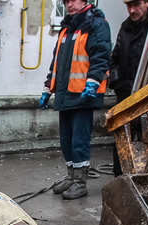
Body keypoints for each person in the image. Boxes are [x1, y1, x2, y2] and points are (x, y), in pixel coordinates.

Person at [40, 0, 111, 200]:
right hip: (65, 94)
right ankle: (71, 178)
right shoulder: (66, 29)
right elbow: (56, 63)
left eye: (74, 0)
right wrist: (48, 89)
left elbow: (101, 56)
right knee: (67, 141)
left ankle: (80, 183)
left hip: (83, 95)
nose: (70, 4)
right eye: (66, 1)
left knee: (80, 141)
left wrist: (93, 82)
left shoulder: (96, 24)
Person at [109, 0, 148, 175]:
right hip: (126, 95)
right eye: (128, 6)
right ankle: (120, 180)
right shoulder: (125, 29)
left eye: (136, 5)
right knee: (121, 141)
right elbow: (115, 60)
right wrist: (117, 83)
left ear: (147, 2)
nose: (132, 10)